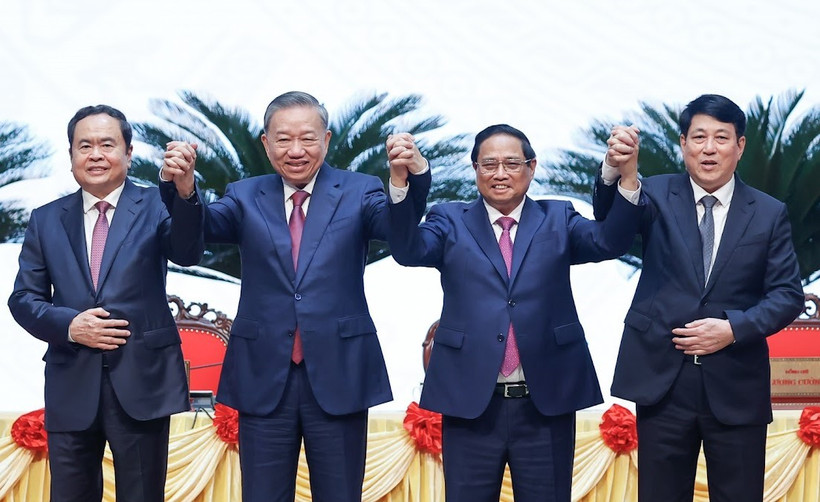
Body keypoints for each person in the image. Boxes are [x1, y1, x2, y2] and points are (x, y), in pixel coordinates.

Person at [159, 90, 432, 502]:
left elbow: (401, 236)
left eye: (307, 138)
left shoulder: (360, 189)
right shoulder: (244, 194)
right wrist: (183, 190)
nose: (296, 150)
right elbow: (193, 238)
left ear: (327, 139)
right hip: (264, 373)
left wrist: (404, 180)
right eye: (283, 139)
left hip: (340, 371)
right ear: (266, 143)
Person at [386, 123, 644, 501]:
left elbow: (609, 242)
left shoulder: (558, 217)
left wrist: (625, 175)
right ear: (475, 169)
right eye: (489, 164)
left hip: (545, 402)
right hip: (470, 401)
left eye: (511, 163)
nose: (500, 173)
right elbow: (408, 250)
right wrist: (404, 180)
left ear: (531, 167)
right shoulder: (449, 220)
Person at [594, 94, 805, 502]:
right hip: (663, 380)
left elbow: (787, 295)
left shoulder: (768, 212)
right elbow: (608, 223)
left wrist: (733, 329)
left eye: (721, 138)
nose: (709, 148)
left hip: (735, 383)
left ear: (739, 146)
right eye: (699, 137)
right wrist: (615, 169)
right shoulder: (652, 193)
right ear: (683, 143)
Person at [7, 105, 204, 502]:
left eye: (107, 145)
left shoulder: (157, 205)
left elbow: (187, 252)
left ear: (128, 153)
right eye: (85, 146)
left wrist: (184, 192)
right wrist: (70, 326)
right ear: (71, 156)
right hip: (70, 381)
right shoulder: (46, 219)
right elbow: (23, 298)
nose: (95, 155)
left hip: (142, 382)